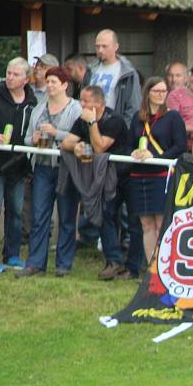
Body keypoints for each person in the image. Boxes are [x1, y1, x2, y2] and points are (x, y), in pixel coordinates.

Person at [62, 85, 143, 280]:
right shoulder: (81, 119)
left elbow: (99, 147)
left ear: (98, 103)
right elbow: (65, 143)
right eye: (81, 100)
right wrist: (77, 146)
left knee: (134, 221)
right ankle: (113, 261)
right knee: (105, 215)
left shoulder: (113, 119)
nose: (81, 105)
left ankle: (133, 267)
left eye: (86, 101)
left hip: (128, 175)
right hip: (107, 177)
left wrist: (91, 124)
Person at [17, 67, 82, 278]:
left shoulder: (76, 108)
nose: (50, 85)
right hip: (43, 167)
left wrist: (57, 133)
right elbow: (27, 138)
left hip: (66, 168)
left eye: (54, 81)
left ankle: (63, 263)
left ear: (65, 85)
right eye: (48, 81)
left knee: (66, 216)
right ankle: (36, 263)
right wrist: (34, 139)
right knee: (39, 215)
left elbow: (80, 136)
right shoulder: (38, 109)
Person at [128, 77, 187, 265]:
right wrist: (135, 152)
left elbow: (180, 146)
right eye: (157, 91)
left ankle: (164, 266)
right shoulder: (138, 117)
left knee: (162, 223)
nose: (161, 95)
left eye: (164, 91)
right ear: (148, 94)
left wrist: (157, 159)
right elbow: (129, 144)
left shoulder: (172, 117)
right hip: (139, 174)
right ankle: (150, 268)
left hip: (162, 174)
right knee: (146, 224)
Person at [0, 57, 37, 273]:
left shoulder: (33, 101)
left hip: (20, 165)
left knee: (16, 211)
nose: (9, 77)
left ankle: (12, 255)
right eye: (8, 73)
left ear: (26, 79)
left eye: (15, 74)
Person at [83, 29, 141, 127]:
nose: (100, 50)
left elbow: (134, 107)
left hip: (114, 127)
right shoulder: (91, 69)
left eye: (104, 46)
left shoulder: (127, 73)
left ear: (116, 47)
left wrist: (123, 130)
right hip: (90, 124)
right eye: (97, 46)